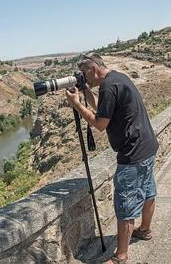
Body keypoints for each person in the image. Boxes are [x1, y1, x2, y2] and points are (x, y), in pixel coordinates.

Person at [65, 53, 158, 264]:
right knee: (148, 191)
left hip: (132, 154)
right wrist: (86, 92)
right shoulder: (118, 78)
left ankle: (121, 256)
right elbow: (104, 108)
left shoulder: (108, 86)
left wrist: (77, 105)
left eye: (84, 74)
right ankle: (144, 230)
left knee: (125, 205)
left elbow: (99, 124)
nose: (83, 78)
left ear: (93, 69)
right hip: (147, 147)